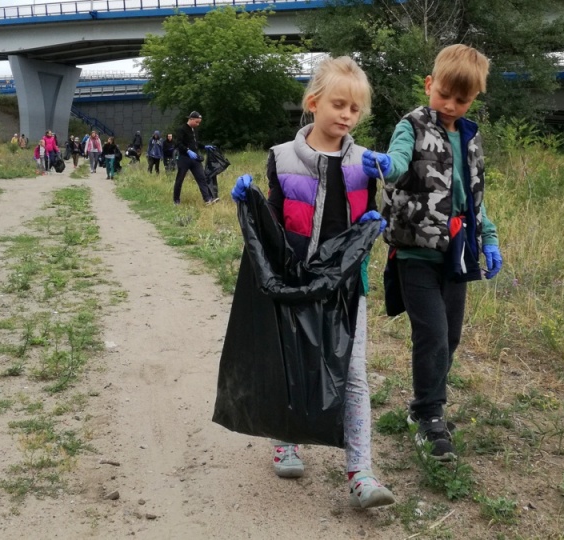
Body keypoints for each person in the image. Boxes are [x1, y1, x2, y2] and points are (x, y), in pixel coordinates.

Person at [229, 56, 394, 509]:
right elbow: (275, 221)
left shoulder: (366, 163)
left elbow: (374, 216)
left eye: (355, 109)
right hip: (294, 278)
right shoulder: (282, 158)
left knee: (354, 374)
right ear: (313, 102)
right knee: (292, 362)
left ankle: (361, 472)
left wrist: (386, 194)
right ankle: (286, 440)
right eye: (338, 104)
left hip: (346, 287)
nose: (346, 115)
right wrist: (248, 199)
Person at [362, 44, 503, 462]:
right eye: (444, 94)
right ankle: (429, 417)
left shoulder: (470, 137)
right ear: (430, 84)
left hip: (456, 254)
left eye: (462, 100)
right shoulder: (412, 125)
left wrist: (489, 238)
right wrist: (386, 164)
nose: (451, 105)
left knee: (451, 337)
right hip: (415, 252)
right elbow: (400, 160)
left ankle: (423, 405)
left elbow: (472, 198)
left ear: (474, 98)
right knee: (433, 335)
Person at [173, 112, 217, 205]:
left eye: (199, 123)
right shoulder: (182, 129)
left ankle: (207, 199)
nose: (198, 124)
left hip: (195, 158)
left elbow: (196, 143)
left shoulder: (195, 130)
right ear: (191, 119)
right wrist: (187, 150)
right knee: (180, 179)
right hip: (184, 158)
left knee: (202, 178)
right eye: (197, 122)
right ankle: (176, 200)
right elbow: (178, 144)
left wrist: (204, 147)